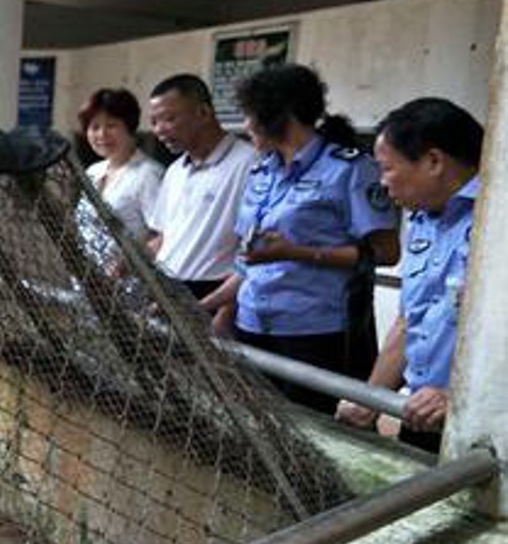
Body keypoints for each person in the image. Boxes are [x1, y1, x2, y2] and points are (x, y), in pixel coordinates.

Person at [199, 64, 400, 413]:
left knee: (310, 431)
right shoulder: (262, 171)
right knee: (255, 425)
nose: (246, 126)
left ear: (281, 114)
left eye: (250, 116)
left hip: (315, 331)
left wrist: (297, 252)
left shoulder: (349, 169)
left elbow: (386, 252)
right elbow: (251, 263)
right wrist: (207, 306)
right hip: (253, 324)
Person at [336, 97, 483, 453]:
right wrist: (369, 399)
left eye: (388, 169)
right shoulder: (422, 219)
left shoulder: (495, 220)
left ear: (433, 161)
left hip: (482, 425)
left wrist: (460, 398)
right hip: (421, 415)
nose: (383, 183)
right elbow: (408, 323)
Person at [146, 74, 257, 319]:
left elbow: (251, 249)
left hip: (216, 293)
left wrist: (225, 313)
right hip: (166, 288)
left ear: (204, 113)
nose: (159, 130)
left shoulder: (248, 163)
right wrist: (127, 261)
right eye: (154, 122)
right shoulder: (175, 171)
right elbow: (164, 237)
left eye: (169, 118)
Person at [78, 88, 164, 240]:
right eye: (95, 127)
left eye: (111, 125)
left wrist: (125, 263)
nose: (102, 134)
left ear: (129, 127)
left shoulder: (148, 174)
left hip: (135, 263)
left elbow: (160, 233)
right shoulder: (93, 171)